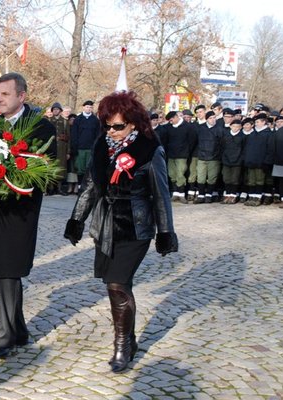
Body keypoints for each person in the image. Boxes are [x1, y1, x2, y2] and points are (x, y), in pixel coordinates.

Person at [64, 91, 178, 373]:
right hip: (105, 226)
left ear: (134, 124)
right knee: (113, 285)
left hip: (135, 227)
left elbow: (161, 195)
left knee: (117, 283)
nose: (111, 131)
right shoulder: (102, 147)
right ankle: (131, 338)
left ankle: (122, 346)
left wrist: (165, 233)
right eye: (107, 125)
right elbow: (91, 186)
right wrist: (77, 220)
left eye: (117, 126)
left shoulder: (150, 150)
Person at [0, 72, 57, 359]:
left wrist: (14, 176)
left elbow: (47, 171)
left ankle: (6, 334)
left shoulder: (39, 127)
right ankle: (18, 329)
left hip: (19, 209)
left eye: (5, 94)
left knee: (9, 268)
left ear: (21, 96)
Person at [70, 100, 100, 192]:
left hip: (91, 148)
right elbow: (74, 134)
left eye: (91, 107)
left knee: (89, 168)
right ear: (83, 107)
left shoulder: (95, 120)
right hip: (80, 148)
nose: (89, 109)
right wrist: (74, 147)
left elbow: (97, 135)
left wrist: (96, 147)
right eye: (87, 107)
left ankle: (88, 187)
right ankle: (79, 186)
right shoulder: (78, 119)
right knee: (80, 168)